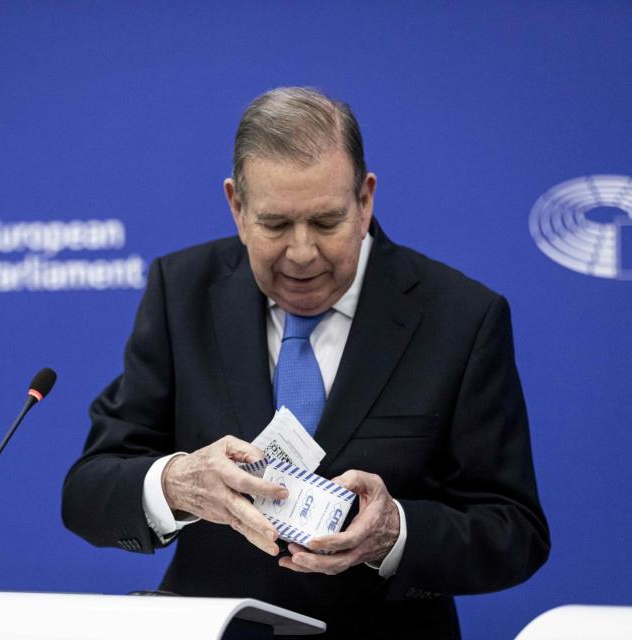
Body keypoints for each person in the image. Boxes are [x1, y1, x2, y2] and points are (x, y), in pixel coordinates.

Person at [62, 87, 549, 639]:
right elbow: (87, 491)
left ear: (365, 200)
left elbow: (513, 530)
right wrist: (176, 482)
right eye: (274, 224)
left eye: (325, 222)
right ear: (237, 208)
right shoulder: (182, 293)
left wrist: (395, 532)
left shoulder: (461, 316)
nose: (301, 253)